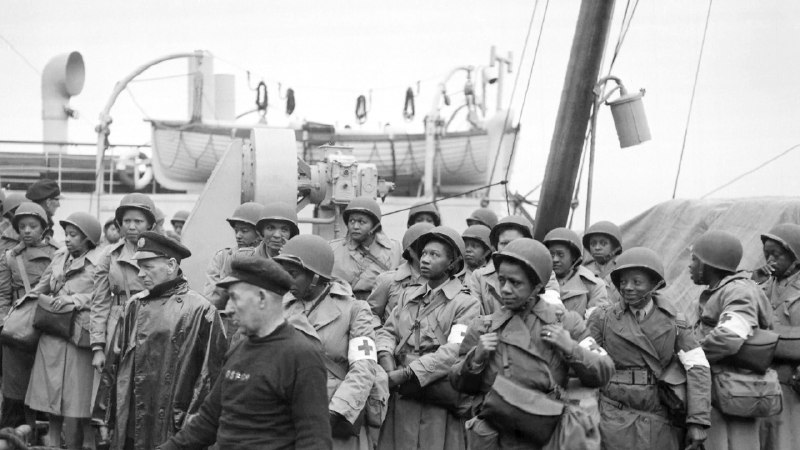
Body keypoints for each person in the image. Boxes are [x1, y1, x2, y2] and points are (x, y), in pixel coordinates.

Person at [450, 238, 614, 449]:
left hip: (543, 433)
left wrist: (570, 347)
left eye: (516, 283)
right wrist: (475, 359)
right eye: (502, 281)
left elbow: (605, 370)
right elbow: (457, 383)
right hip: (495, 436)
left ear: (537, 286)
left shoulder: (565, 323)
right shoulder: (484, 326)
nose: (506, 289)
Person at [157, 256, 332, 450]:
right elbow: (207, 422)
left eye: (235, 298)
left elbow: (314, 440)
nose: (228, 309)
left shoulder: (301, 356)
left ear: (262, 298)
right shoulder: (239, 350)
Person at [93, 231, 227, 450]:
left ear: (171, 264)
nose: (141, 274)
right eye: (139, 267)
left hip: (173, 424)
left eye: (148, 267)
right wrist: (103, 416)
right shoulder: (133, 305)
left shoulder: (201, 310)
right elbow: (113, 364)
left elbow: (209, 378)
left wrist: (193, 427)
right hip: (130, 419)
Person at [588, 247, 710, 450]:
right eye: (623, 282)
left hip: (658, 420)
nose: (627, 287)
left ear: (654, 284)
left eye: (637, 282)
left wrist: (698, 420)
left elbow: (698, 367)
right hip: (612, 418)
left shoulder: (675, 322)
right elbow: (585, 365)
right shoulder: (602, 318)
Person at [376, 226, 480, 450]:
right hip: (402, 394)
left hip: (435, 393)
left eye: (435, 255)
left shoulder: (466, 303)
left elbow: (454, 350)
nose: (425, 259)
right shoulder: (407, 295)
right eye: (424, 253)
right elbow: (387, 331)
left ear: (452, 264)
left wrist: (406, 374)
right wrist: (386, 360)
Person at [278, 235, 380, 450]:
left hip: (332, 418)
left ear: (315, 276)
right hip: (285, 417)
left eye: (293, 274)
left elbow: (364, 367)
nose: (287, 280)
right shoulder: (280, 306)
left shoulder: (355, 310)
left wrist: (335, 411)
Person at [25, 212, 103, 450]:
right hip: (53, 331)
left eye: (74, 235)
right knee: (50, 391)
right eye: (66, 234)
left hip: (79, 334)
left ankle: (87, 443)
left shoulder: (100, 261)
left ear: (88, 238)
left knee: (79, 394)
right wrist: (25, 305)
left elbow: (104, 296)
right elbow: (41, 287)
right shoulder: (59, 256)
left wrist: (76, 299)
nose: (67, 239)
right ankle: (53, 442)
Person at [688, 230, 773, 450]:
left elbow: (730, 336)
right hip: (721, 390)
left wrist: (692, 355)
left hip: (735, 392)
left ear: (709, 264)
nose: (690, 266)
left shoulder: (739, 291)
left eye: (695, 259)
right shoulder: (721, 290)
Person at [0, 203, 59, 433]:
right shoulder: (10, 257)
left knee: (46, 384)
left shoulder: (58, 253)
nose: (26, 230)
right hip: (17, 329)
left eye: (33, 226)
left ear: (44, 228)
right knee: (14, 387)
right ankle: (13, 435)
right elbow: (3, 294)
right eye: (22, 226)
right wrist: (5, 322)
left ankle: (45, 435)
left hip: (48, 324)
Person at [91, 193, 155, 374]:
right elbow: (99, 302)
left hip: (151, 323)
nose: (132, 226)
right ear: (119, 224)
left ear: (150, 224)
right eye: (126, 221)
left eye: (138, 221)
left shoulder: (162, 255)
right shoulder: (109, 255)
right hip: (117, 326)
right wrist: (97, 347)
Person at [756, 224, 800, 449]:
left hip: (791, 382)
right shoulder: (760, 288)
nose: (771, 259)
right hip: (761, 380)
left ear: (795, 256)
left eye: (777, 254)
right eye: (767, 254)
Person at [468, 215, 561, 315]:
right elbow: (472, 316)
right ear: (496, 246)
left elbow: (554, 311)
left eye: (516, 242)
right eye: (504, 243)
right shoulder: (479, 276)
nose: (510, 247)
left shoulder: (543, 272)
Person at [331, 197, 401, 300]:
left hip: (379, 309)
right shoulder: (333, 249)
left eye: (362, 222)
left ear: (375, 226)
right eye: (351, 221)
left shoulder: (394, 249)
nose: (355, 226)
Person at [367, 222, 433, 324]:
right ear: (410, 250)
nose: (427, 255)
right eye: (423, 250)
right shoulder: (388, 280)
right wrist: (380, 333)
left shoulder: (446, 281)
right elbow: (371, 313)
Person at [203, 202, 265, 309]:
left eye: (244, 231)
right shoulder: (222, 257)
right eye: (236, 231)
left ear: (259, 234)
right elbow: (211, 298)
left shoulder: (268, 257)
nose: (238, 236)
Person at [544, 227, 609, 319]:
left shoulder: (594, 285)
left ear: (574, 257)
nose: (555, 259)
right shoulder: (539, 280)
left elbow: (596, 323)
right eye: (551, 254)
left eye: (561, 255)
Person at [582, 221, 623, 302]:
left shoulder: (622, 267)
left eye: (603, 243)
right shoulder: (584, 271)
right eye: (593, 244)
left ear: (614, 246)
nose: (597, 247)